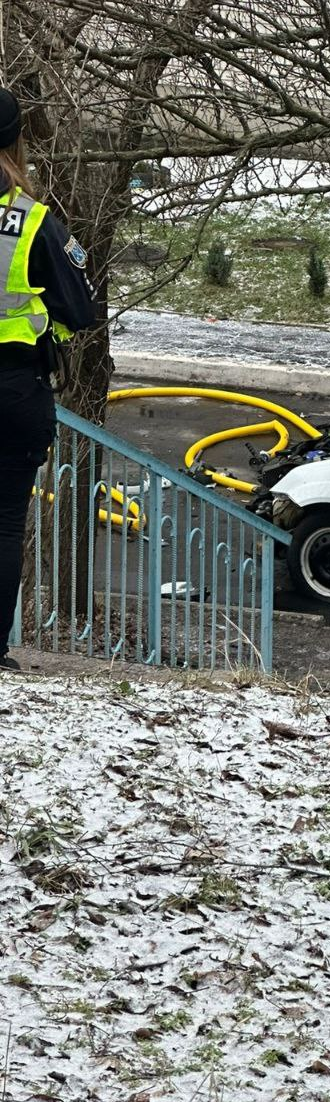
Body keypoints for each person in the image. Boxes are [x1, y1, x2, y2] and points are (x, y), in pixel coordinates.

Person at [0, 88, 96, 670]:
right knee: (6, 518)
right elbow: (79, 312)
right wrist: (47, 336)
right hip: (12, 389)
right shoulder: (33, 223)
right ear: (16, 143)